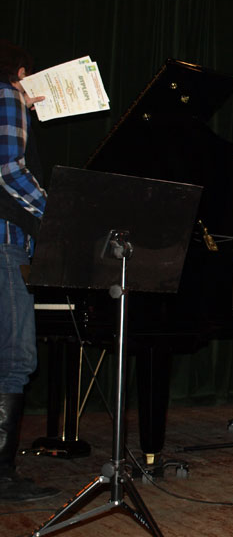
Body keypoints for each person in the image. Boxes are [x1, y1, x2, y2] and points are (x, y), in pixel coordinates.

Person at [0, 41, 57, 502]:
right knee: (15, 359)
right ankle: (2, 476)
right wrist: (57, 215)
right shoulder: (6, 94)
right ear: (21, 72)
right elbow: (9, 169)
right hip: (5, 244)